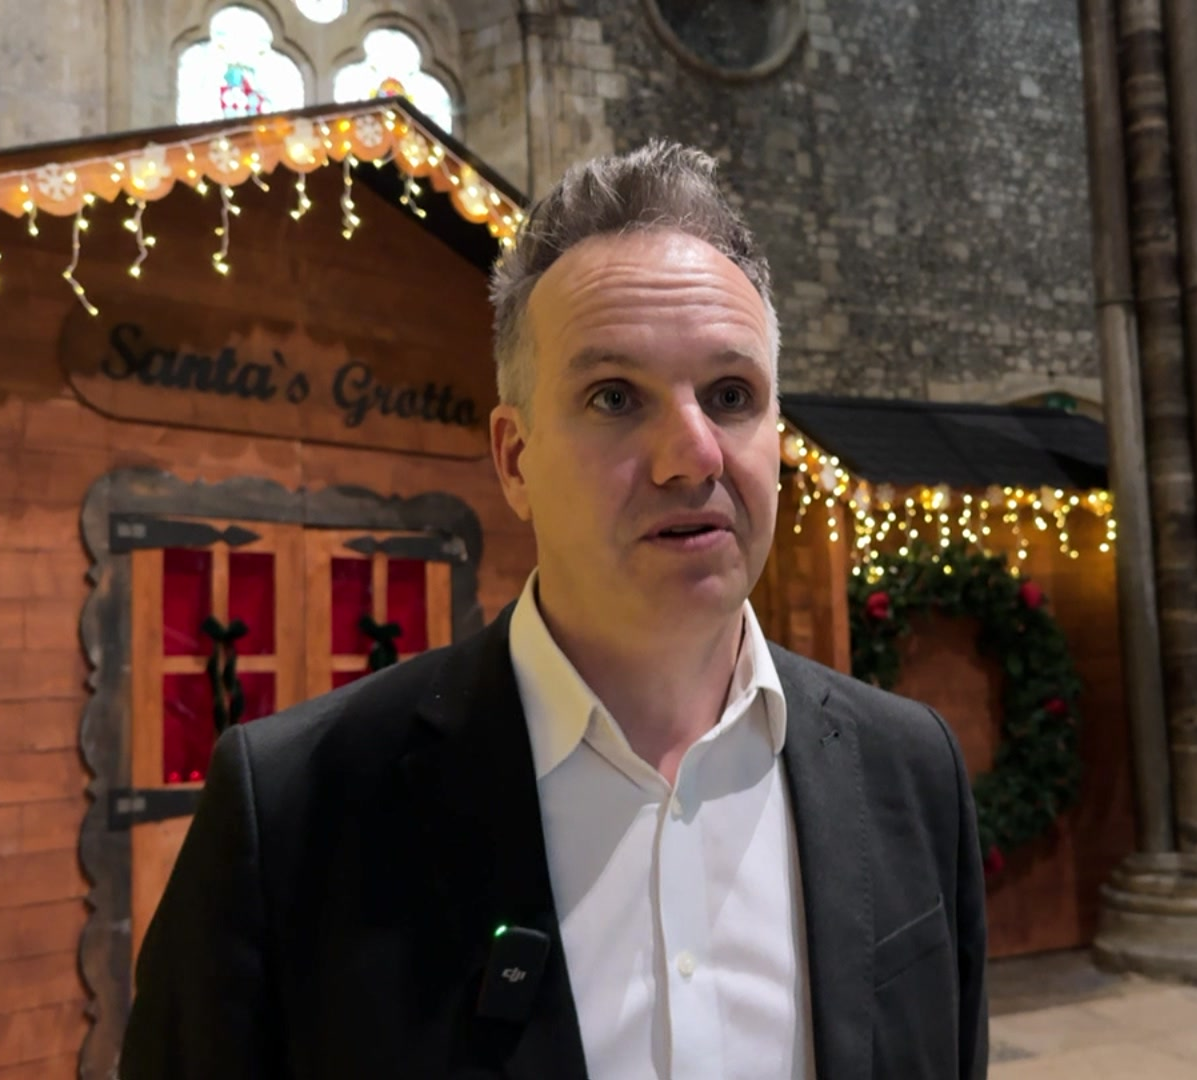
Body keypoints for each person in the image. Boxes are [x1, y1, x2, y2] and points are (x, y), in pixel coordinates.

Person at [120, 140, 989, 1079]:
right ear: (515, 459)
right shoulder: (296, 807)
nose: (693, 455)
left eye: (732, 395)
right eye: (616, 396)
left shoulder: (911, 771)